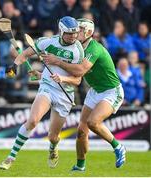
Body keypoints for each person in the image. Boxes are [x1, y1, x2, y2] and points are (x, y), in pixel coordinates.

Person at [0, 16, 84, 170]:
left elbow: (77, 80)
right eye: (70, 33)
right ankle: (11, 156)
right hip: (47, 87)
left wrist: (62, 77)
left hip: (65, 94)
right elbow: (24, 55)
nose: (73, 36)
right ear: (61, 31)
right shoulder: (47, 42)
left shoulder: (78, 51)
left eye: (76, 33)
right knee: (32, 121)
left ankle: (53, 148)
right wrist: (14, 65)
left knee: (53, 137)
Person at [43, 18, 126, 171]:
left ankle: (118, 146)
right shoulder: (75, 48)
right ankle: (80, 166)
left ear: (88, 33)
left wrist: (58, 62)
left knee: (93, 122)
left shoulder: (94, 48)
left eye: (79, 30)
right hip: (94, 91)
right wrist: (41, 73)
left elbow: (80, 71)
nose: (75, 33)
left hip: (111, 91)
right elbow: (67, 70)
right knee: (81, 130)